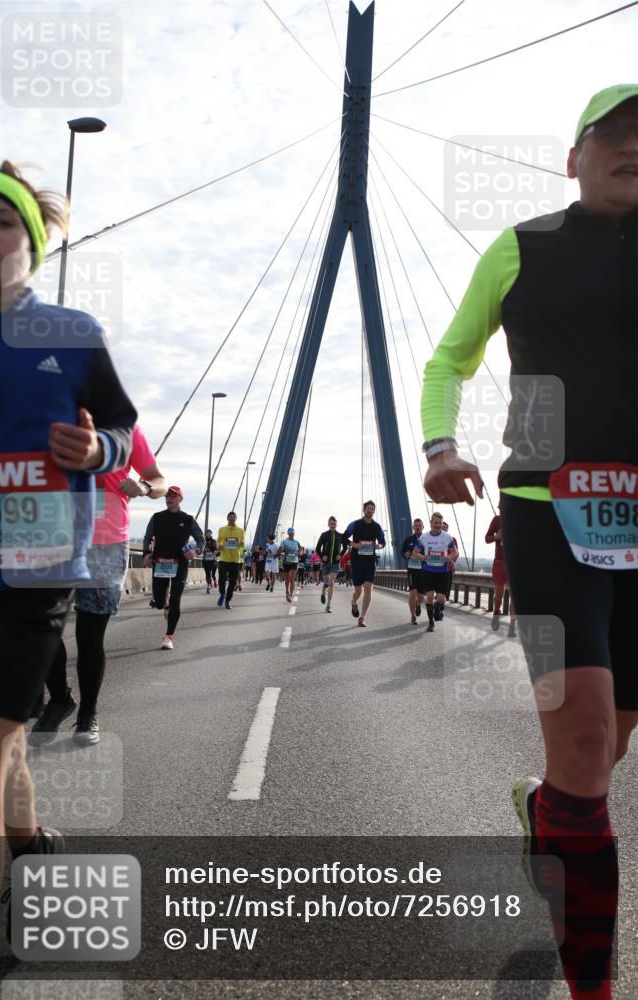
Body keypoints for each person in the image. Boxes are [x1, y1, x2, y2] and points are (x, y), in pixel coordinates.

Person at [420, 84, 638, 999]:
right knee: (587, 744)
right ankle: (591, 986)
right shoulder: (521, 246)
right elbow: (449, 358)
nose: (633, 147)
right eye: (615, 134)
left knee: (600, 748)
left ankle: (545, 812)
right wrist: (440, 445)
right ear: (573, 156)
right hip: (546, 504)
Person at [0, 161, 137, 978]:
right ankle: (31, 845)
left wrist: (95, 448)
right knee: (0, 754)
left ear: (32, 244)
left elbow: (120, 429)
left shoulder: (72, 333)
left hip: (37, 577)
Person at [30, 425, 165, 746]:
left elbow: (159, 481)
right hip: (51, 537)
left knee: (89, 636)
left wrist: (145, 487)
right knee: (41, 626)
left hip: (105, 542)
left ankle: (88, 714)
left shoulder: (125, 429)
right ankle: (60, 698)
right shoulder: (49, 415)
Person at [142, 486, 203, 649]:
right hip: (160, 562)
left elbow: (201, 540)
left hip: (180, 563)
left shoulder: (188, 519)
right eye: (167, 496)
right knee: (161, 603)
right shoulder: (157, 517)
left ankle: (169, 637)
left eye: (173, 496)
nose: (169, 498)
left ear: (180, 499)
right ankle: (164, 603)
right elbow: (148, 537)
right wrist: (146, 553)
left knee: (176, 600)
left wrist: (195, 550)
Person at [345, 501, 386, 627]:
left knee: (368, 588)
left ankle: (362, 617)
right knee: (358, 591)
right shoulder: (355, 524)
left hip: (369, 562)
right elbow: (343, 538)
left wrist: (377, 546)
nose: (369, 510)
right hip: (357, 562)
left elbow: (383, 543)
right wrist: (355, 545)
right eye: (368, 508)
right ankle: (353, 601)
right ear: (364, 510)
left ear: (374, 511)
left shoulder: (377, 527)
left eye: (372, 509)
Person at [418, 513, 458, 632]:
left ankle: (437, 606)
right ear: (431, 523)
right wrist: (422, 557)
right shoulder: (424, 537)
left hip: (442, 572)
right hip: (428, 571)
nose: (437, 525)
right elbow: (415, 552)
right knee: (429, 597)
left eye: (440, 523)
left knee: (441, 599)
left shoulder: (447, 537)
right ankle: (431, 623)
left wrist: (449, 557)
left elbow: (454, 552)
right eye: (435, 523)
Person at [485, 508, 517, 637]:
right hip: (500, 562)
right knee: (499, 595)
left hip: (516, 563)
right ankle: (496, 612)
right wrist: (496, 537)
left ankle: (512, 626)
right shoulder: (497, 520)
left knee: (515, 597)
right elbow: (487, 538)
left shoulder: (521, 519)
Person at [315, 516, 349, 612]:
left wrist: (340, 555)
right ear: (328, 524)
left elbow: (345, 547)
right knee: (326, 582)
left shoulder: (340, 535)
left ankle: (328, 605)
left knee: (331, 582)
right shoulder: (324, 535)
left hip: (335, 563)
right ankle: (323, 592)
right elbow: (318, 548)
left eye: (334, 524)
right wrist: (322, 556)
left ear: (336, 524)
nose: (332, 525)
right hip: (325, 563)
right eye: (331, 524)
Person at [216, 511, 245, 609]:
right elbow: (218, 541)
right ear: (227, 518)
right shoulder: (222, 529)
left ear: (236, 519)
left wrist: (242, 544)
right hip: (224, 559)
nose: (232, 518)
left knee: (233, 582)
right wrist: (219, 546)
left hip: (235, 560)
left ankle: (228, 600)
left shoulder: (240, 530)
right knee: (221, 579)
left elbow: (242, 546)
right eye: (230, 517)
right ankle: (222, 594)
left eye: (234, 517)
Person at [401, 518, 426, 624]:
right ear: (413, 527)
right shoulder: (408, 539)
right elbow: (402, 551)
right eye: (415, 525)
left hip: (423, 571)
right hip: (412, 570)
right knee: (412, 592)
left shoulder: (427, 539)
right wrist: (405, 554)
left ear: (423, 527)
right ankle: (413, 616)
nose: (417, 527)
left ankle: (418, 604)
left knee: (421, 596)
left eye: (419, 525)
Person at [440, 520, 459, 619]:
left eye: (445, 528)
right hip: (436, 569)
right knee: (439, 591)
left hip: (448, 569)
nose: (443, 529)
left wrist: (451, 559)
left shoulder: (452, 539)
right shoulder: (435, 539)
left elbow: (456, 553)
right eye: (442, 528)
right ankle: (438, 607)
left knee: (445, 593)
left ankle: (440, 608)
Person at [279, 528, 300, 602]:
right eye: (290, 533)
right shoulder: (284, 541)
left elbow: (300, 549)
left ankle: (290, 595)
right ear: (288, 534)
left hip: (294, 561)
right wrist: (282, 553)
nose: (292, 534)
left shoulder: (296, 542)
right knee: (287, 579)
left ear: (294, 533)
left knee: (292, 579)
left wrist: (299, 553)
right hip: (286, 562)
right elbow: (280, 550)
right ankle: (287, 592)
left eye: (293, 533)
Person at [201, 529, 218, 594]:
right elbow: (201, 548)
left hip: (212, 560)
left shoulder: (214, 541)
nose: (208, 534)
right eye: (207, 533)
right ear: (205, 534)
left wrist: (211, 550)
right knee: (207, 573)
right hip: (205, 560)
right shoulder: (203, 541)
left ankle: (209, 585)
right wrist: (202, 550)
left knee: (210, 572)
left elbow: (216, 549)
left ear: (211, 534)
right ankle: (209, 584)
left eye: (209, 533)